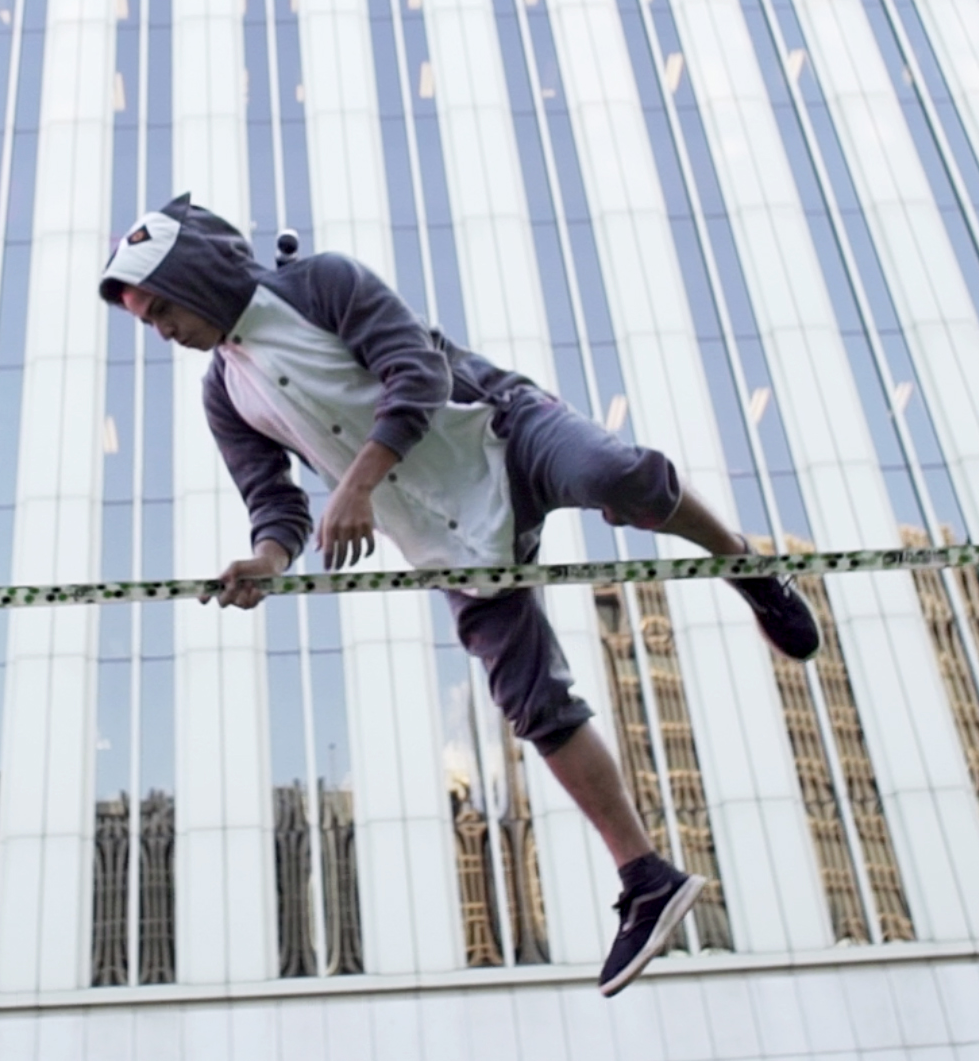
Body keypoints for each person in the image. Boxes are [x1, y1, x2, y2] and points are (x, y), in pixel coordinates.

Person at [99, 194, 819, 997]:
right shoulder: (224, 395)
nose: (162, 330)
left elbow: (417, 370)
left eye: (163, 309)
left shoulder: (321, 284)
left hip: (503, 435)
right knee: (534, 704)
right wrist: (268, 559)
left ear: (196, 276)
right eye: (148, 322)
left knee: (615, 474)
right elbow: (274, 501)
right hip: (446, 540)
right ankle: (646, 878)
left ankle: (744, 565)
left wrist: (358, 485)